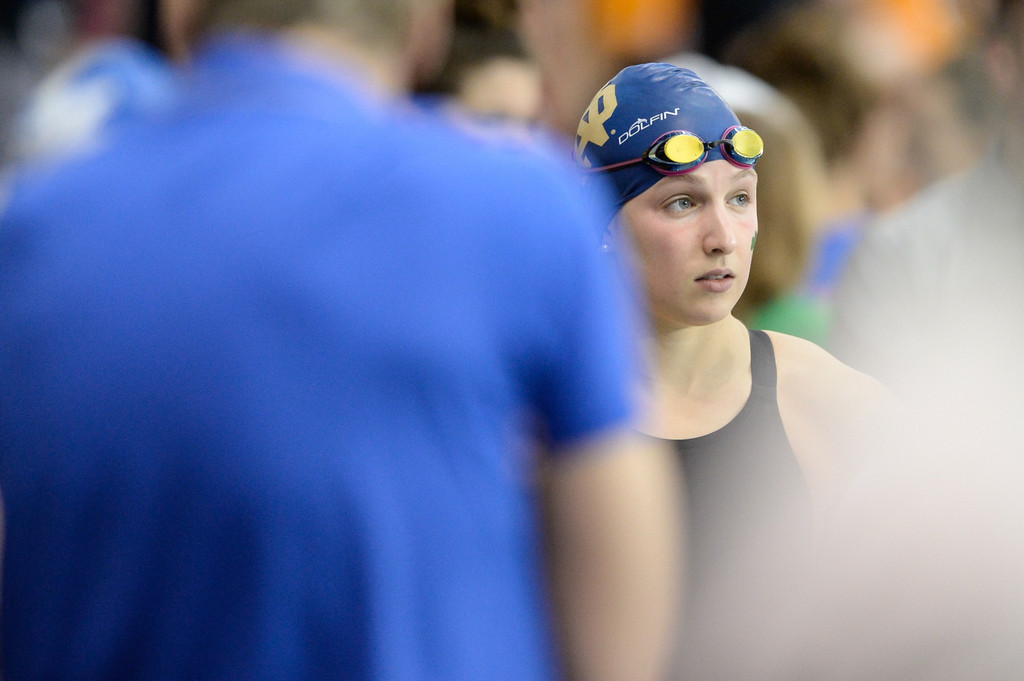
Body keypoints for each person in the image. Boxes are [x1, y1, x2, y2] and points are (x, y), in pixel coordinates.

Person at [0, 1, 685, 680]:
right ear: (425, 27)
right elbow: (617, 629)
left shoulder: (30, 232)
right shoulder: (528, 206)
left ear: (182, 17)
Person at [572, 62, 896, 680]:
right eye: (682, 203)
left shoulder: (831, 401)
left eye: (740, 198)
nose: (723, 236)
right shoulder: (549, 424)